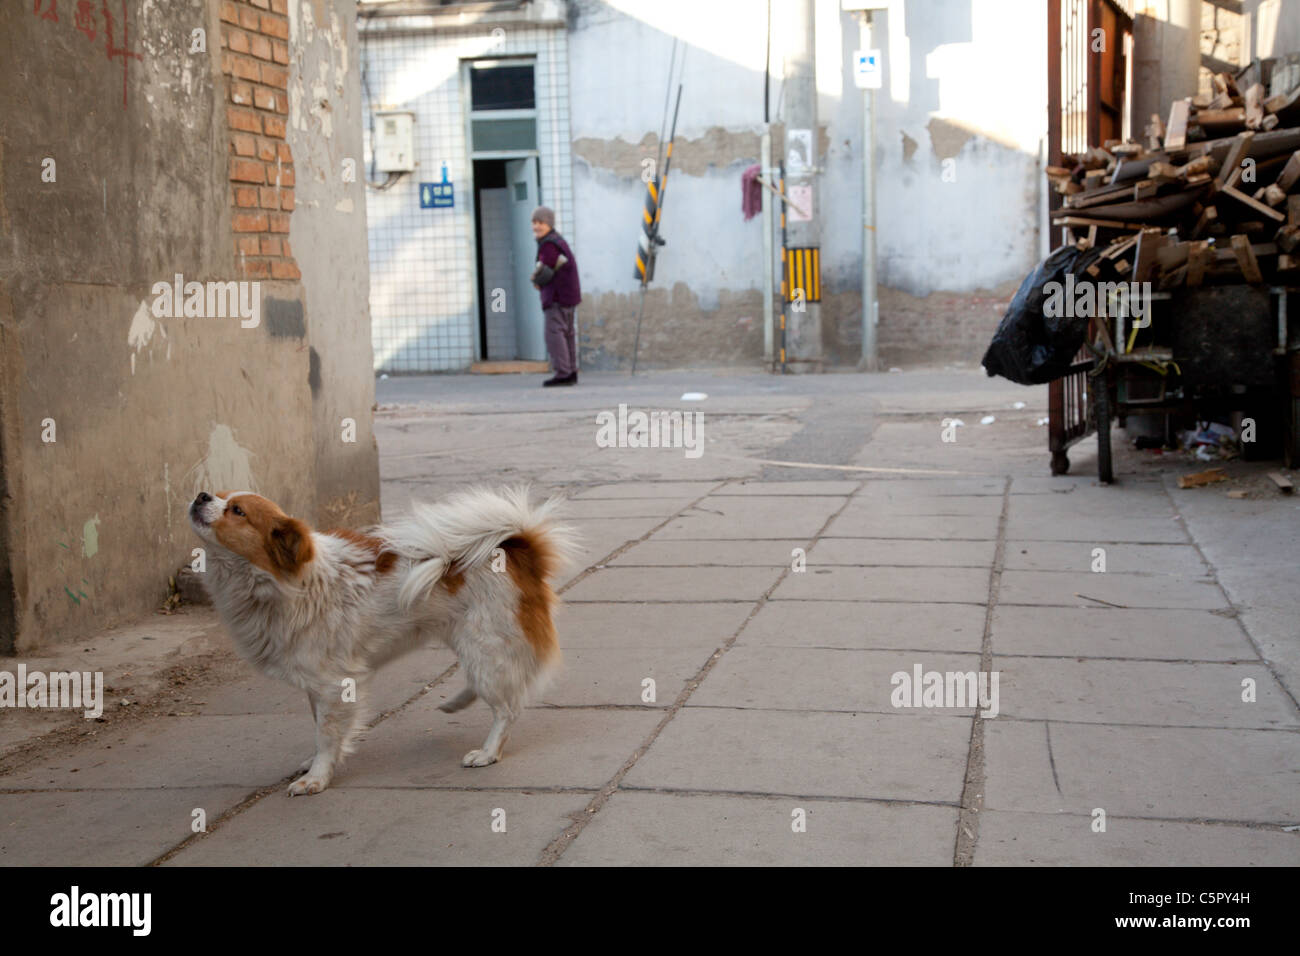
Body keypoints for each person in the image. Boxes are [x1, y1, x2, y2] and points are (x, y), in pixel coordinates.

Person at [529, 207, 581, 387]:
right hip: (569, 294)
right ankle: (571, 372)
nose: (537, 226)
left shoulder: (549, 244)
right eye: (534, 223)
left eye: (540, 223)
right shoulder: (558, 240)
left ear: (549, 224)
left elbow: (546, 267)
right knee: (567, 334)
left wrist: (535, 279)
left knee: (554, 334)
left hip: (557, 296)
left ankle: (563, 373)